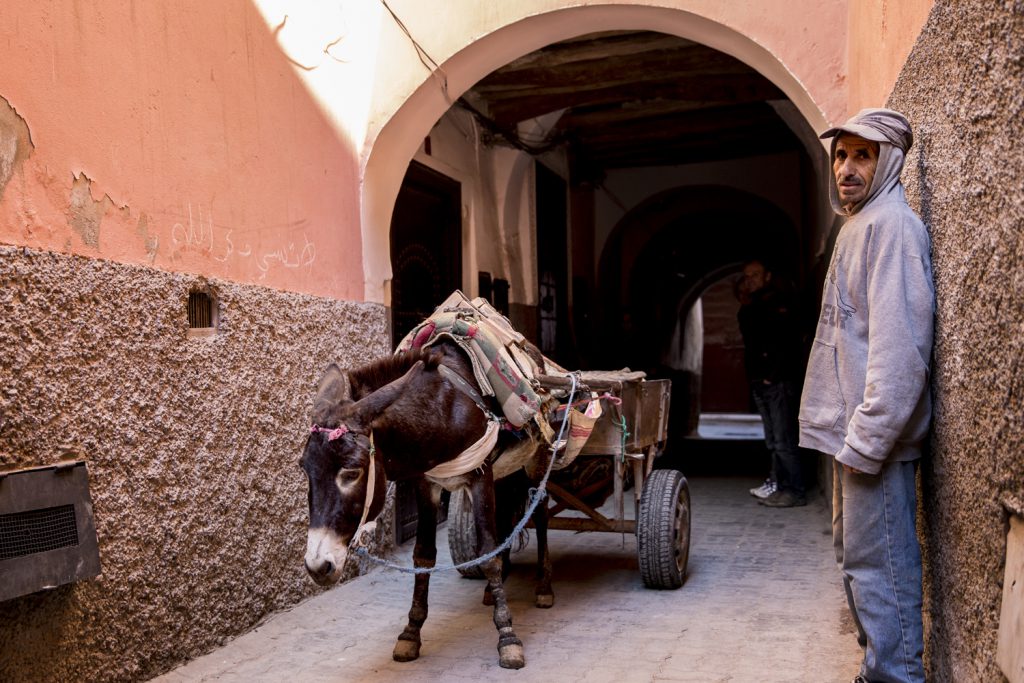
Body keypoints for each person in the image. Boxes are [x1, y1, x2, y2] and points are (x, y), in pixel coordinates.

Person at [799, 108, 933, 683]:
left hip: (872, 442)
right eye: (840, 155)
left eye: (862, 154)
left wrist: (869, 439)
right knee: (858, 562)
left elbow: (899, 350)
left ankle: (896, 675)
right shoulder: (859, 225)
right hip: (850, 436)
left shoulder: (894, 227)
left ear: (890, 161)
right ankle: (877, 668)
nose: (846, 168)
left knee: (883, 569)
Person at [736, 260, 806, 507]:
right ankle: (779, 486)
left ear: (767, 276)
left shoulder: (778, 302)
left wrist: (773, 376)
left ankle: (794, 490)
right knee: (773, 440)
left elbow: (787, 344)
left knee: (783, 439)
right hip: (761, 381)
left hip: (777, 382)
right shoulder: (752, 305)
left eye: (755, 275)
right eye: (746, 276)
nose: (750, 280)